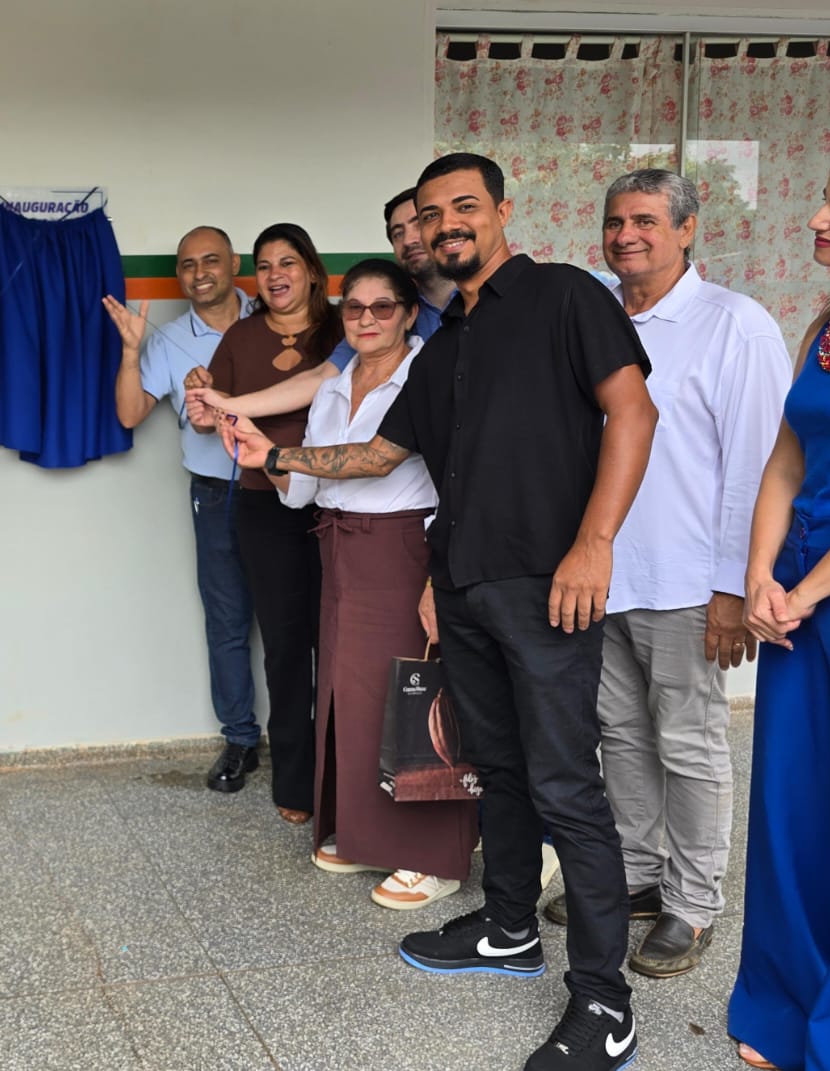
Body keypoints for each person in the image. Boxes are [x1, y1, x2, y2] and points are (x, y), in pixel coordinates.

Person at [230, 153, 657, 1071]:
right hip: (462, 586)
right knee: (495, 767)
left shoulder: (567, 299)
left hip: (549, 584)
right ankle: (509, 928)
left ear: (502, 210)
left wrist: (595, 543)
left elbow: (633, 414)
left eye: (464, 206)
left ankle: (605, 1002)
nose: (446, 223)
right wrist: (280, 459)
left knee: (565, 787)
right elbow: (380, 456)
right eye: (431, 214)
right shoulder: (447, 343)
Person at [542, 169, 789, 979]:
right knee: (620, 735)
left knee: (689, 741)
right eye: (615, 222)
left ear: (688, 230)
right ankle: (638, 876)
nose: (626, 236)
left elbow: (757, 467)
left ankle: (692, 904)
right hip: (601, 572)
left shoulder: (734, 325)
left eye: (645, 220)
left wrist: (732, 585)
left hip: (689, 582)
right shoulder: (598, 317)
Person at [226, 258, 478, 909]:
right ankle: (367, 834)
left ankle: (434, 857)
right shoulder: (337, 383)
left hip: (405, 549)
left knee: (415, 692)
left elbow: (428, 475)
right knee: (350, 697)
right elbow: (303, 489)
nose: (366, 319)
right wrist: (264, 455)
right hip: (339, 549)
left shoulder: (429, 375)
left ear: (409, 313)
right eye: (354, 308)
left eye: (382, 307)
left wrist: (438, 574)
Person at [729, 163, 830, 1071]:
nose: (818, 215)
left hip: (820, 592)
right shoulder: (822, 329)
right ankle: (786, 998)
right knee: (794, 804)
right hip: (796, 595)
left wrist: (806, 588)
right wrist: (762, 572)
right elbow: (787, 456)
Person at [191, 223, 341, 826]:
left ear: (310, 270)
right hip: (263, 506)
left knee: (340, 644)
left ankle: (346, 776)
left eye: (288, 262)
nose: (276, 274)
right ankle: (298, 781)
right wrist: (202, 397)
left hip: (339, 505)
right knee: (284, 648)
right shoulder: (241, 337)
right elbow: (209, 420)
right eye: (265, 265)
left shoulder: (345, 329)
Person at [102, 226, 261, 793]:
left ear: (234, 264)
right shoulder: (169, 341)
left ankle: (307, 738)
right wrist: (130, 350)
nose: (200, 273)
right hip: (216, 495)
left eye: (211, 261)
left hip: (288, 491)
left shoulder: (274, 314)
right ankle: (241, 737)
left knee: (299, 622)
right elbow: (128, 414)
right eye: (188, 265)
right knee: (226, 623)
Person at [191, 188, 454, 422]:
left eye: (418, 224)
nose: (408, 240)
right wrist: (225, 405)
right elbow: (319, 378)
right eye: (398, 234)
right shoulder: (381, 319)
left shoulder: (483, 300)